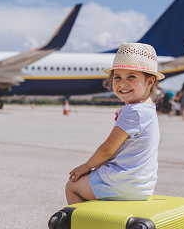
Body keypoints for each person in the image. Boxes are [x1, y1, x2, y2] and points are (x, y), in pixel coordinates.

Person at [65, 42, 164, 204]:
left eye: (131, 76)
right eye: (117, 77)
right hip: (143, 186)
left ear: (150, 82)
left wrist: (86, 166)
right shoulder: (148, 109)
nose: (123, 83)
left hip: (122, 183)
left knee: (72, 186)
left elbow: (108, 149)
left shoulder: (133, 111)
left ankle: (83, 228)